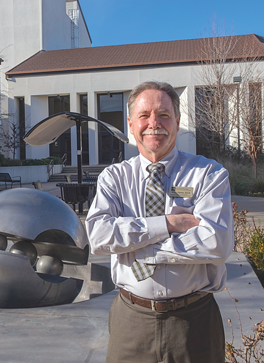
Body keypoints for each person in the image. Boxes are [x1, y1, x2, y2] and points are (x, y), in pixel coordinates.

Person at [85, 81, 233, 363]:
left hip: (194, 321)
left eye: (164, 115)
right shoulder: (114, 178)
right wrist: (167, 224)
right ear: (131, 124)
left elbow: (216, 243)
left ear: (177, 121)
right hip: (132, 321)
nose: (154, 123)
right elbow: (99, 237)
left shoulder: (208, 175)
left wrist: (140, 251)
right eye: (144, 115)